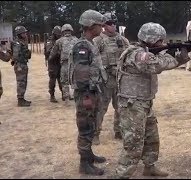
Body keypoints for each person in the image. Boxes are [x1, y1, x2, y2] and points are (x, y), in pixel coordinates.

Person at [115, 22, 191, 179]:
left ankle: (149, 167)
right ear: (150, 39)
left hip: (144, 102)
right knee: (133, 143)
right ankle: (121, 175)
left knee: (151, 138)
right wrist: (177, 58)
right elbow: (155, 64)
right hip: (132, 105)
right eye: (160, 40)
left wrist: (172, 53)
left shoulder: (146, 51)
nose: (162, 43)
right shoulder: (136, 54)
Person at [69, 9, 108, 176]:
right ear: (92, 26)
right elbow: (82, 74)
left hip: (92, 91)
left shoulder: (89, 43)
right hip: (86, 93)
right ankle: (84, 164)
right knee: (85, 126)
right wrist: (87, 96)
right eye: (100, 25)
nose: (103, 28)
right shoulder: (82, 46)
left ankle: (89, 155)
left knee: (90, 125)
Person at [93, 11, 130, 144]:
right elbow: (93, 60)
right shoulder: (98, 40)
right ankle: (95, 134)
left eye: (114, 23)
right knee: (100, 108)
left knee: (120, 107)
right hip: (105, 80)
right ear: (103, 25)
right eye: (109, 24)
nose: (113, 26)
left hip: (120, 79)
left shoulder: (122, 40)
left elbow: (129, 56)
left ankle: (119, 131)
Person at [49, 24, 78, 102]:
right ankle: (77, 96)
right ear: (71, 30)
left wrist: (50, 59)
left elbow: (53, 53)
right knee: (75, 80)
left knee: (64, 81)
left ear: (63, 31)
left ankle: (66, 97)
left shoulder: (59, 41)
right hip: (75, 63)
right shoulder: (76, 40)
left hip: (65, 64)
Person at [11, 26, 32, 107]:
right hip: (20, 65)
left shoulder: (22, 42)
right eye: (23, 33)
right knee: (21, 82)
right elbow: (16, 55)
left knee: (23, 82)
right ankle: (20, 100)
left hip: (23, 64)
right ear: (19, 34)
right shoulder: (17, 43)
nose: (25, 34)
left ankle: (22, 98)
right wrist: (19, 66)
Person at [44, 26, 63, 103]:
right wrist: (58, 53)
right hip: (52, 63)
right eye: (58, 34)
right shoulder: (50, 41)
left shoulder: (60, 40)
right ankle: (52, 95)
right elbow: (49, 52)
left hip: (59, 62)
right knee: (52, 80)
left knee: (61, 79)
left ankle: (64, 94)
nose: (59, 36)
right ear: (54, 34)